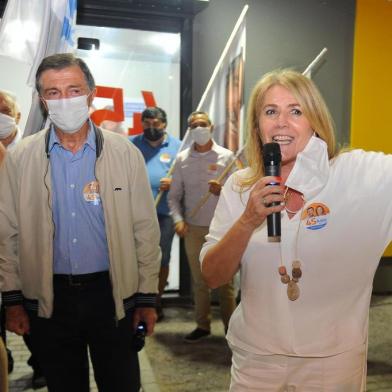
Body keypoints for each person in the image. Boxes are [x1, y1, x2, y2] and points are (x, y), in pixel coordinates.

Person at [200, 69, 392, 391]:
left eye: (296, 111)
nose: (281, 123)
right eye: (270, 111)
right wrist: (248, 220)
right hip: (256, 361)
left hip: (331, 364)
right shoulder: (240, 186)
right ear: (257, 125)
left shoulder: (357, 174)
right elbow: (212, 276)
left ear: (315, 119)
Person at [0, 53, 161, 392]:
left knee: (121, 384)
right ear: (42, 100)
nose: (65, 100)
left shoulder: (124, 153)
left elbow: (144, 230)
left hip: (112, 295)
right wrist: (13, 300)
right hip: (50, 298)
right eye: (53, 93)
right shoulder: (20, 158)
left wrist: (147, 297)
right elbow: (7, 234)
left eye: (73, 90)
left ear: (91, 94)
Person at [168, 111, 237, 343]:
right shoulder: (182, 159)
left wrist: (224, 188)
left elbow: (241, 192)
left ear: (211, 126)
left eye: (202, 124)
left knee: (226, 283)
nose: (199, 128)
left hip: (223, 229)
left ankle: (231, 329)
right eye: (193, 125)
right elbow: (174, 196)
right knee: (199, 282)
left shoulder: (227, 157)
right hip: (194, 229)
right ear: (189, 130)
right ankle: (203, 325)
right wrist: (178, 220)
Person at [0, 90, 47, 388]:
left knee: (30, 313)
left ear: (17, 116)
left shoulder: (33, 151)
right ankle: (4, 357)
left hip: (25, 248)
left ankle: (41, 362)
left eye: (4, 110)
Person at [131, 107, 181, 321]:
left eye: (156, 123)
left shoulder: (178, 147)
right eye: (147, 123)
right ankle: (134, 300)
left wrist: (174, 181)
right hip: (135, 212)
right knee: (134, 257)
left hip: (164, 213)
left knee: (161, 259)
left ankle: (156, 301)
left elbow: (185, 180)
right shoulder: (130, 144)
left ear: (164, 124)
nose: (151, 127)